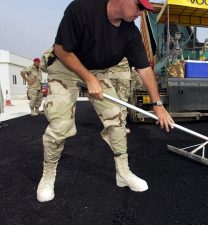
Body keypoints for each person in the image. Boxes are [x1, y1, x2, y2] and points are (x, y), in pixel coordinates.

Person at [37, 0, 174, 202]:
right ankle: (48, 175)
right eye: (139, 7)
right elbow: (61, 50)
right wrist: (88, 78)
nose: (141, 13)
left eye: (144, 10)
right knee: (61, 124)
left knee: (117, 119)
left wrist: (158, 105)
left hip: (97, 70)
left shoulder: (130, 33)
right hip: (66, 66)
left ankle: (123, 173)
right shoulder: (82, 9)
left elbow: (144, 69)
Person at [107, 57, 133, 134]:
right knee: (122, 102)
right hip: (123, 72)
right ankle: (121, 127)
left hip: (109, 72)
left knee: (110, 101)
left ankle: (112, 126)